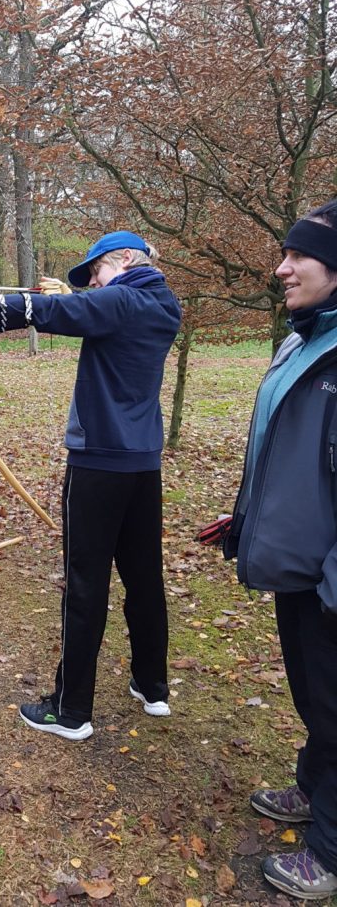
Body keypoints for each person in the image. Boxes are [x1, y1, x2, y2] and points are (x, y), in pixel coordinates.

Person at [0, 231, 181, 740]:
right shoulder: (162, 303)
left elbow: (45, 311)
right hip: (141, 464)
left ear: (125, 259)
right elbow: (83, 308)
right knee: (144, 577)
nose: (90, 283)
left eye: (95, 272)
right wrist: (81, 298)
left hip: (98, 465)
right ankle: (152, 686)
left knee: (85, 583)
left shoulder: (124, 298)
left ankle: (70, 711)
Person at [222, 200, 337, 901]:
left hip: (330, 581)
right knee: (317, 701)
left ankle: (329, 847)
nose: (280, 268)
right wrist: (249, 517)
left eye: (297, 257)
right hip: (300, 565)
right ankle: (312, 786)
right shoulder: (302, 340)